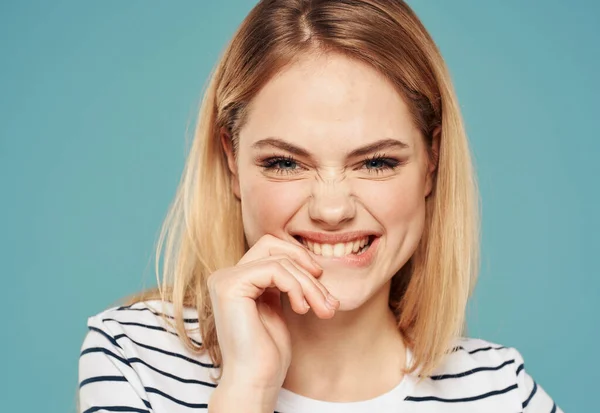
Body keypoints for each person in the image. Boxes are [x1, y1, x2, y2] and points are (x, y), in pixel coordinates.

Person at [78, 0, 563, 412]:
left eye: (376, 162)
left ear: (431, 162)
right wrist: (247, 389)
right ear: (232, 162)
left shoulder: (500, 392)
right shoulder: (135, 356)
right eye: (286, 163)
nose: (332, 210)